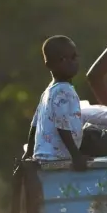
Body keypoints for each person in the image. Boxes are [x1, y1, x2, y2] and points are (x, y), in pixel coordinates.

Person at [23, 35, 88, 171]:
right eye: (63, 59)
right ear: (49, 65)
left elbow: (34, 125)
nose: (71, 62)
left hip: (44, 157)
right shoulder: (64, 90)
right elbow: (62, 125)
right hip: (58, 159)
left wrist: (28, 154)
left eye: (74, 57)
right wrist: (76, 156)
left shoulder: (48, 91)